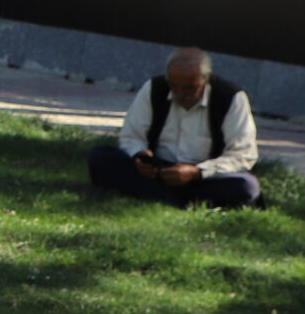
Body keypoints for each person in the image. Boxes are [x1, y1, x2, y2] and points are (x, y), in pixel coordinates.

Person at [88, 46, 263, 210]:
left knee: (246, 187)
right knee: (100, 157)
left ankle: (162, 196)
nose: (180, 93)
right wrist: (139, 156)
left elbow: (243, 154)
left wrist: (196, 172)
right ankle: (185, 200)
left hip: (204, 176)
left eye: (189, 88)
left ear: (205, 80)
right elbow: (131, 136)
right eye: (173, 86)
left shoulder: (230, 98)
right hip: (158, 171)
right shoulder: (154, 89)